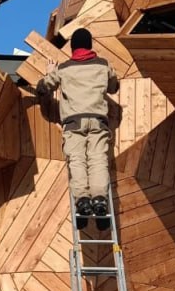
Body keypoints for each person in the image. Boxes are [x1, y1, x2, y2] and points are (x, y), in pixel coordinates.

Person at [37, 28, 120, 230]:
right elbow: (114, 86)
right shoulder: (103, 65)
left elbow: (43, 87)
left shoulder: (65, 69)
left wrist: (48, 77)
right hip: (98, 121)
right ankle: (100, 199)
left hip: (74, 122)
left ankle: (82, 200)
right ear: (90, 46)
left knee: (77, 161)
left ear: (73, 47)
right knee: (98, 160)